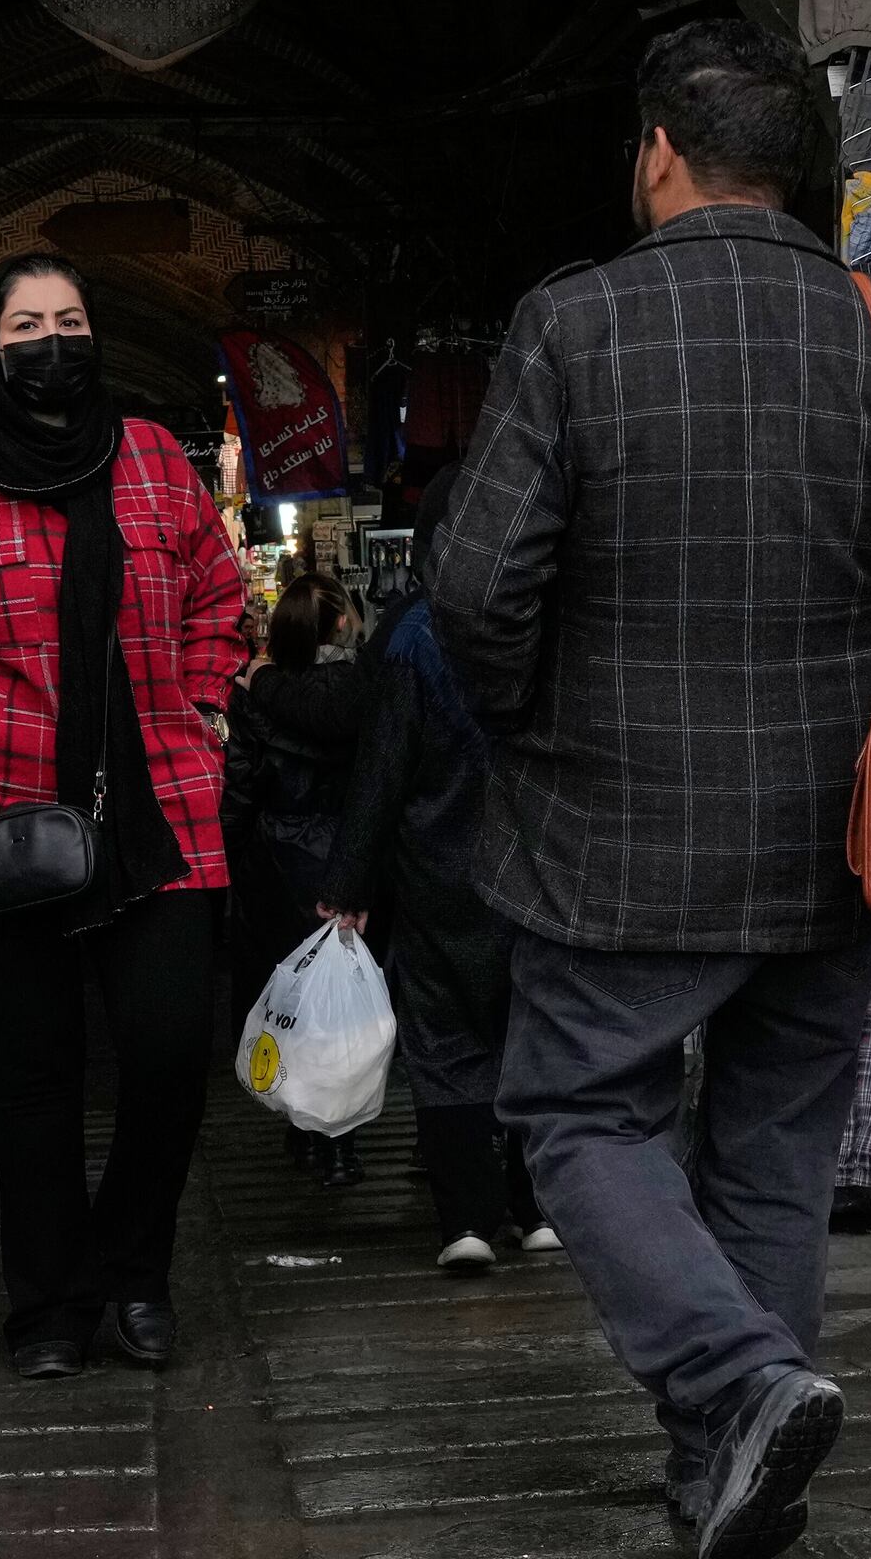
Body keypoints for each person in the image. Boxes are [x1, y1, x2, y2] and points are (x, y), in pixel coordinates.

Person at [433, 19, 871, 1559]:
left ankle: (738, 1382)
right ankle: (727, 1469)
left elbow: (474, 590)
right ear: (808, 172)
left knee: (576, 1113)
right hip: (842, 824)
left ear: (656, 153)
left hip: (610, 825)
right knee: (774, 1148)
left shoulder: (573, 327)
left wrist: (530, 725)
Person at [0, 252, 249, 1381]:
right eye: (26, 325)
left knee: (170, 1057)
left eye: (69, 320)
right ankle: (49, 1309)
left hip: (162, 814)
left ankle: (131, 1270)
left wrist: (205, 701)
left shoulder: (158, 462)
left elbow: (218, 593)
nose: (51, 341)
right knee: (35, 1080)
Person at [322, 469, 556, 1271]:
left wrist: (348, 885)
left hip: (438, 873)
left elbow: (381, 771)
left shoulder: (411, 636)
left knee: (447, 1043)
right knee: (532, 1037)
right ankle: (536, 1208)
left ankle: (465, 1218)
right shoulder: (544, 621)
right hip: (536, 870)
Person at [223, 570, 376, 1187]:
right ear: (341, 623)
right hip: (350, 853)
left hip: (277, 858)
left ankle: (302, 1128)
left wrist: (232, 861)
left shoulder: (257, 692)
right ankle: (340, 1138)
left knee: (293, 999)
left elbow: (240, 785)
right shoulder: (365, 689)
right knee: (349, 1005)